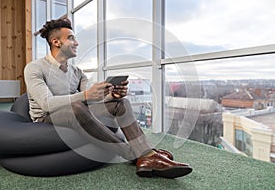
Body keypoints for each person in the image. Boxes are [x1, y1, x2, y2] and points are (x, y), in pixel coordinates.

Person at [24, 18, 192, 179]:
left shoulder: (77, 72)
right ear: (56, 42)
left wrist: (112, 95)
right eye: (71, 38)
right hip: (46, 118)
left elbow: (91, 101)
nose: (77, 43)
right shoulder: (34, 68)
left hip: (76, 111)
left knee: (121, 104)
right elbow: (47, 104)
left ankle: (146, 155)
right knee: (77, 107)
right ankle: (139, 154)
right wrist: (85, 95)